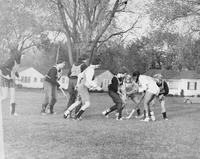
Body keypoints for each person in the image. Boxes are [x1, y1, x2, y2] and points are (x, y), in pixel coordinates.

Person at [0, 49, 22, 116]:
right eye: (22, 55)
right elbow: (2, 67)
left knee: (13, 96)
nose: (23, 57)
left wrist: (18, 76)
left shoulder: (18, 63)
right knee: (4, 96)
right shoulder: (11, 60)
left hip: (12, 79)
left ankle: (12, 112)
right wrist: (6, 76)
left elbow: (14, 70)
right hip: (5, 78)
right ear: (18, 55)